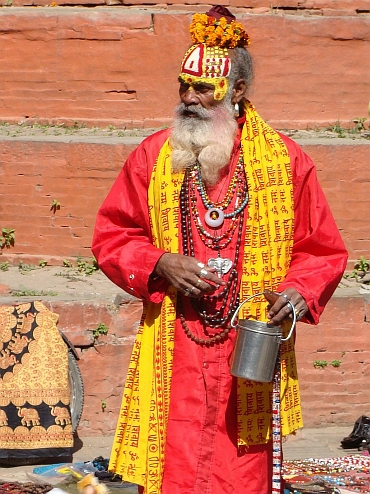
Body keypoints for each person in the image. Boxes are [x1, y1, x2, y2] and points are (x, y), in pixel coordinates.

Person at [92, 6, 348, 493]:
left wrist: (298, 293)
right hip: (176, 341)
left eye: (203, 88)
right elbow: (113, 235)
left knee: (241, 470)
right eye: (183, 86)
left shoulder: (287, 161)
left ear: (237, 92)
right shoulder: (153, 156)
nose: (189, 98)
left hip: (250, 339)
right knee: (173, 460)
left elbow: (321, 250)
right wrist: (159, 261)